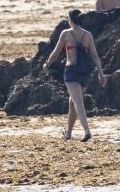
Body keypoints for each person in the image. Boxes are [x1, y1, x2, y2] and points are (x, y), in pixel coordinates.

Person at [43, 10, 107, 141]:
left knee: (77, 101)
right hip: (86, 71)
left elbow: (55, 53)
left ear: (71, 20)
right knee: (72, 101)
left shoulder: (66, 34)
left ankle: (87, 131)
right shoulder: (87, 35)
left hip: (72, 70)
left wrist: (47, 64)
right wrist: (101, 73)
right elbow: (94, 55)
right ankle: (68, 133)